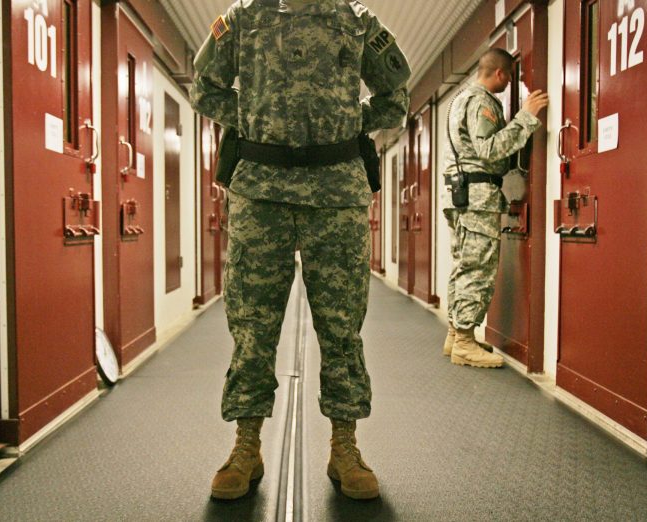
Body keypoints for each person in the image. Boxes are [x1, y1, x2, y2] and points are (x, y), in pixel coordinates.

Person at [189, 0, 410, 500]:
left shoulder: (357, 20)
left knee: (342, 325)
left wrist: (347, 121)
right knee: (252, 324)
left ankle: (345, 447)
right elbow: (205, 87)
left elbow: (395, 95)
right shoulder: (244, 17)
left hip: (336, 191)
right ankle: (246, 445)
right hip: (260, 189)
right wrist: (253, 116)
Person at [441, 48, 548, 368]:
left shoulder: (460, 98)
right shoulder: (483, 101)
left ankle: (456, 334)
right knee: (478, 268)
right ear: (500, 74)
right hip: (477, 198)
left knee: (464, 265)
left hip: (460, 195)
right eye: (511, 77)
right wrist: (525, 117)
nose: (511, 83)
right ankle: (463, 340)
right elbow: (489, 150)